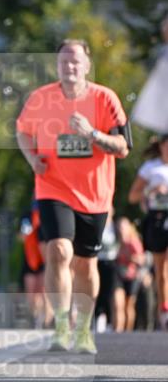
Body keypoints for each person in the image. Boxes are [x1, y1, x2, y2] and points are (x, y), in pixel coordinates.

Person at [16, 38, 130, 354]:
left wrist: (91, 134)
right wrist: (31, 158)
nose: (70, 66)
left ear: (87, 66)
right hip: (53, 187)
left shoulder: (105, 99)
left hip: (95, 194)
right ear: (57, 65)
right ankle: (61, 325)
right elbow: (22, 130)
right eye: (64, 61)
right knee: (58, 251)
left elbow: (123, 147)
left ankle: (83, 329)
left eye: (76, 61)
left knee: (85, 264)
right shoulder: (41, 99)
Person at [128, 133, 168, 330]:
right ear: (160, 146)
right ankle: (164, 310)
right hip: (158, 219)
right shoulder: (150, 168)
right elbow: (133, 196)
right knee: (162, 270)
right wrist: (151, 191)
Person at [19, 203, 49, 329]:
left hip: (44, 258)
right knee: (31, 291)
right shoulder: (27, 216)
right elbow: (21, 236)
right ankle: (36, 318)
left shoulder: (48, 215)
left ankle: (46, 319)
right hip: (30, 257)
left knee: (43, 290)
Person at [114, 217, 146, 332]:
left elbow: (142, 259)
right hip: (119, 276)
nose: (121, 230)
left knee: (129, 305)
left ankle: (128, 331)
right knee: (118, 304)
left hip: (132, 276)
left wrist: (130, 257)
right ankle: (118, 329)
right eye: (119, 227)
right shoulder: (116, 242)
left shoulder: (133, 242)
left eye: (123, 227)